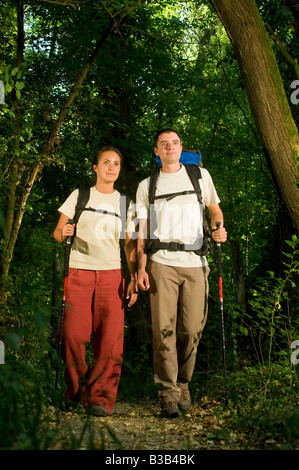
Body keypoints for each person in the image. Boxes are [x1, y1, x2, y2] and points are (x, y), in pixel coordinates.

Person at [136, 129, 227, 418]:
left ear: (181, 147)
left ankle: (184, 383)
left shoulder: (200, 176)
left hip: (196, 262)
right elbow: (141, 229)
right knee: (164, 329)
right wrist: (140, 266)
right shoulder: (146, 185)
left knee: (191, 329)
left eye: (174, 143)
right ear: (156, 151)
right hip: (160, 262)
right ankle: (168, 394)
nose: (170, 147)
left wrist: (218, 228)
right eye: (164, 144)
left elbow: (215, 210)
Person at [53, 146, 138, 417]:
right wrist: (63, 232)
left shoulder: (126, 204)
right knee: (70, 336)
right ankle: (76, 390)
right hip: (78, 272)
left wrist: (133, 278)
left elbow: (129, 246)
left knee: (110, 341)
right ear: (95, 167)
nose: (111, 167)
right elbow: (58, 232)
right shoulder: (79, 196)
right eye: (105, 162)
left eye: (116, 163)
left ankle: (100, 398)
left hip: (112, 274)